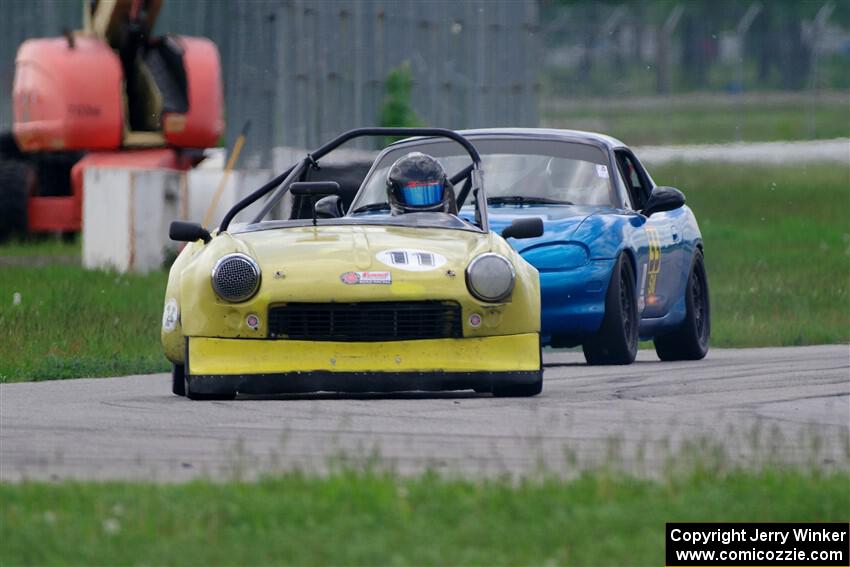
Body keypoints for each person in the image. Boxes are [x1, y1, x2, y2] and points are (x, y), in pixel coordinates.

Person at [386, 152, 457, 215]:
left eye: (431, 192)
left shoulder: (462, 226)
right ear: (393, 196)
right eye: (415, 194)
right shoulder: (379, 228)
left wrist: (452, 212)